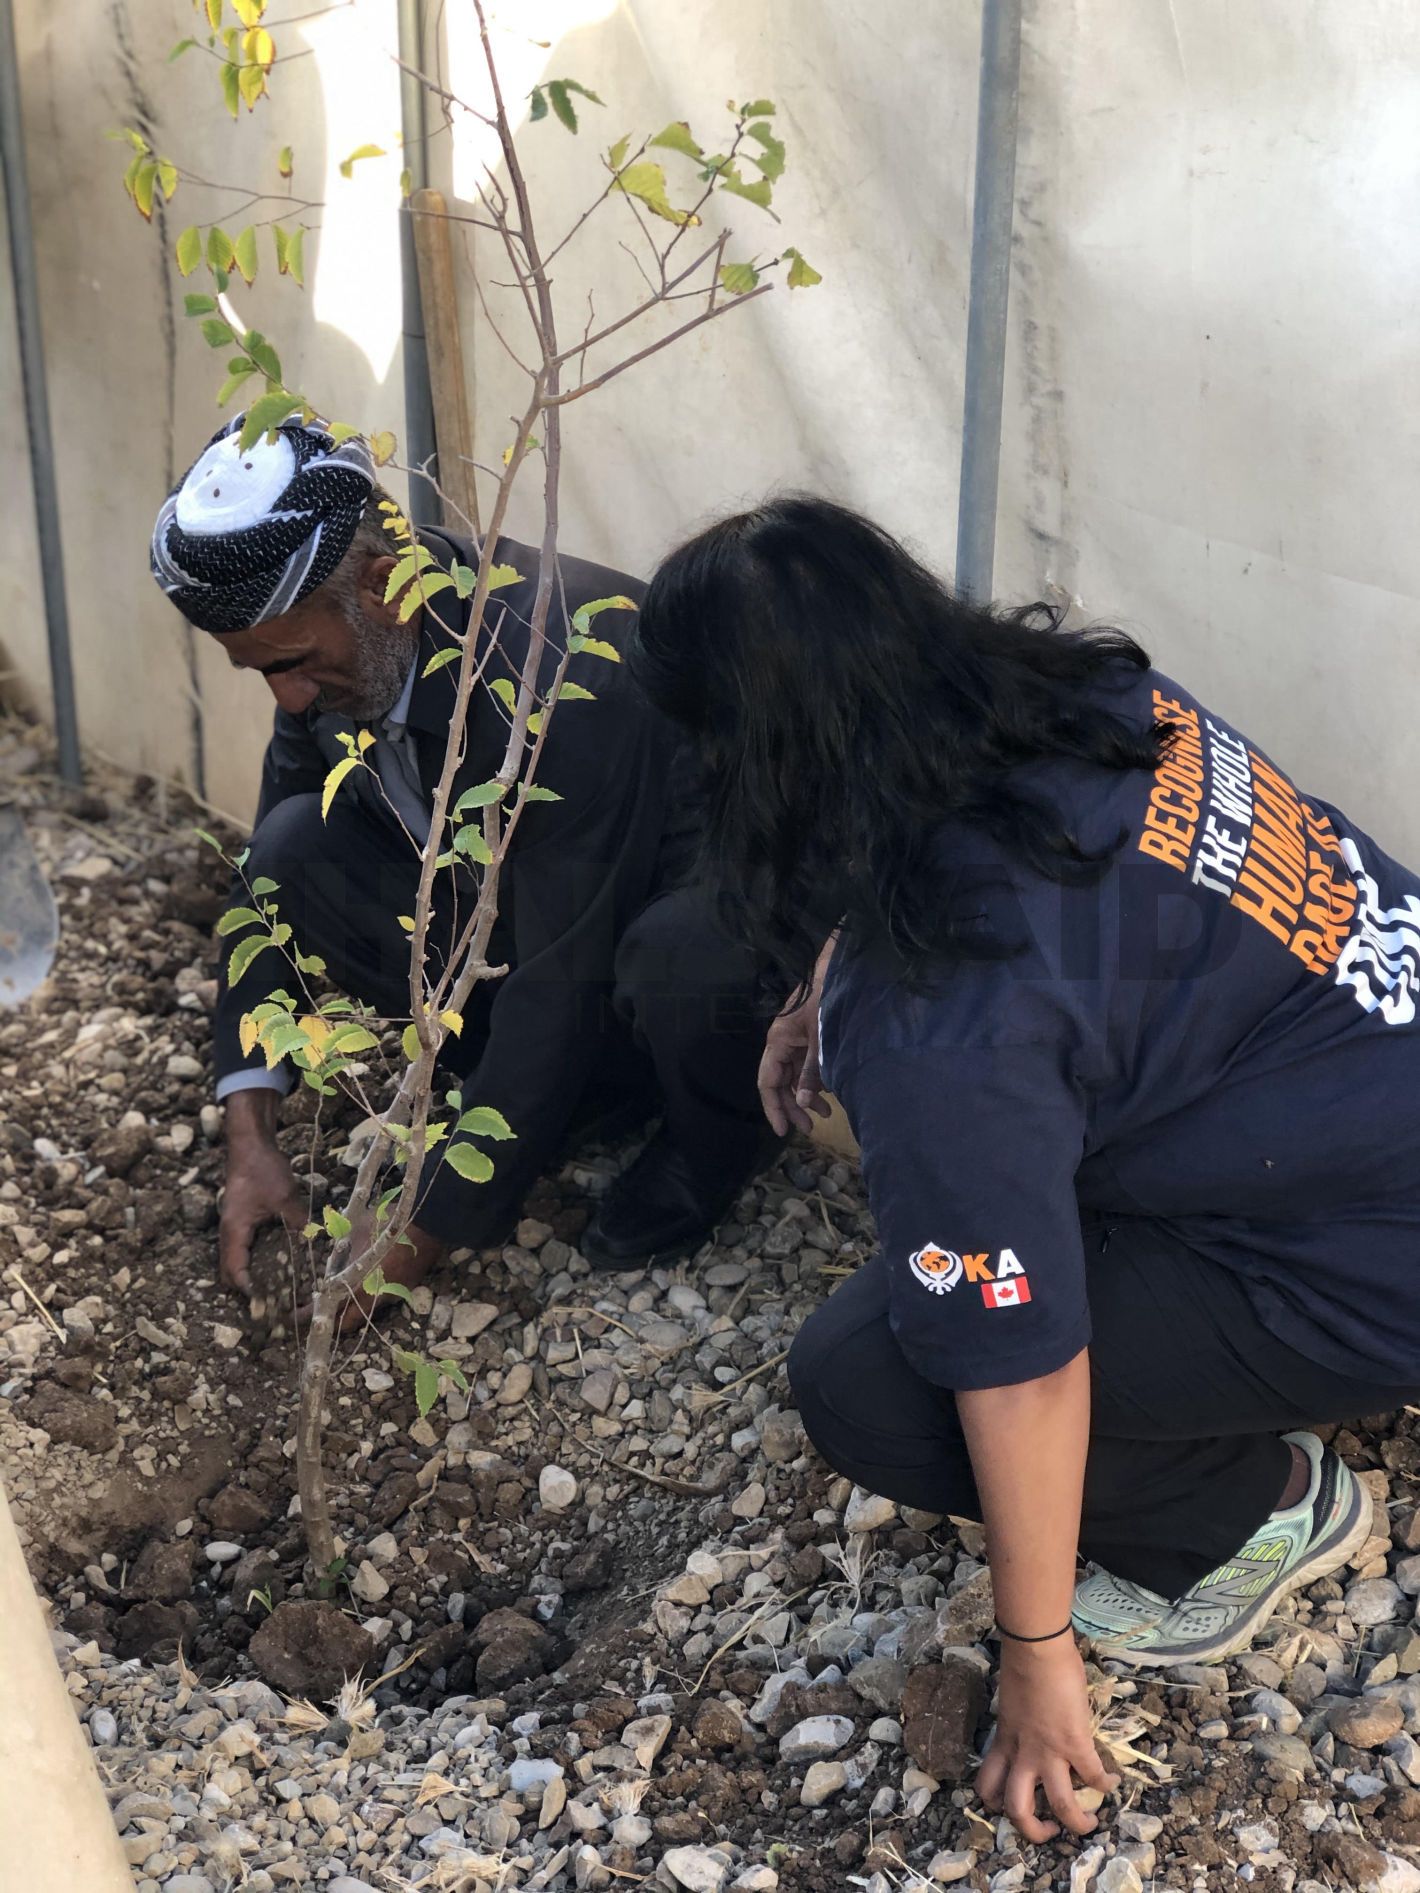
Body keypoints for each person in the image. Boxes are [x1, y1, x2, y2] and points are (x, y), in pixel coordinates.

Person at [627, 493, 1420, 1844]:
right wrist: (833, 973)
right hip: (1360, 1107)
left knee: (873, 1377)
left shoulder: (944, 1013)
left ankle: (1257, 1518)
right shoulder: (1098, 702)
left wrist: (1036, 1646)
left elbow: (1023, 1359)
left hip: (1371, 1255)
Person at [148, 414, 779, 1308]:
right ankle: (562, 1099)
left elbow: (562, 977)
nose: (286, 698)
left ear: (383, 589)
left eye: (290, 662)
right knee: (293, 844)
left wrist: (414, 1237)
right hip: (528, 920)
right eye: (260, 673)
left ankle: (710, 1142)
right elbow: (270, 889)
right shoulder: (333, 656)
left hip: (659, 930)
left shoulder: (559, 676)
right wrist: (248, 1129)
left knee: (684, 955)